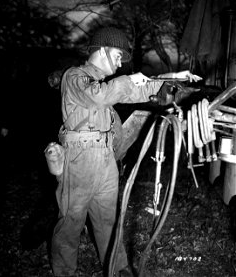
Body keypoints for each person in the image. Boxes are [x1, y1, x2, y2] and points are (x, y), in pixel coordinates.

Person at [51, 26, 202, 277]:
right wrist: (129, 81)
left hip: (106, 158)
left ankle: (117, 268)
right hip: (79, 159)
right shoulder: (74, 76)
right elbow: (99, 96)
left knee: (108, 220)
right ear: (102, 50)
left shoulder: (108, 83)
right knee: (70, 222)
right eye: (119, 56)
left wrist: (169, 83)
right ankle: (64, 272)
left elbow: (136, 89)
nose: (121, 64)